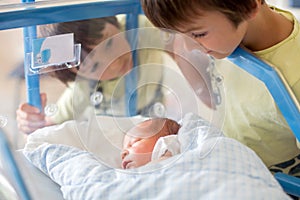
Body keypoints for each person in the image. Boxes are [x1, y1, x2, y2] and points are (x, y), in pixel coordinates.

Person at [140, 0, 300, 176]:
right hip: (231, 158)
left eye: (198, 34)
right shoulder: (231, 32)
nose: (189, 47)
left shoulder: (293, 76)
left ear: (250, 6)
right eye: (178, 35)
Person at [16, 15, 168, 135]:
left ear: (114, 22)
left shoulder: (137, 27)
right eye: (95, 66)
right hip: (118, 133)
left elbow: (181, 44)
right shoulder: (84, 86)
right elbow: (47, 129)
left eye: (109, 43)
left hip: (155, 111)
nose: (114, 63)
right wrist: (32, 124)